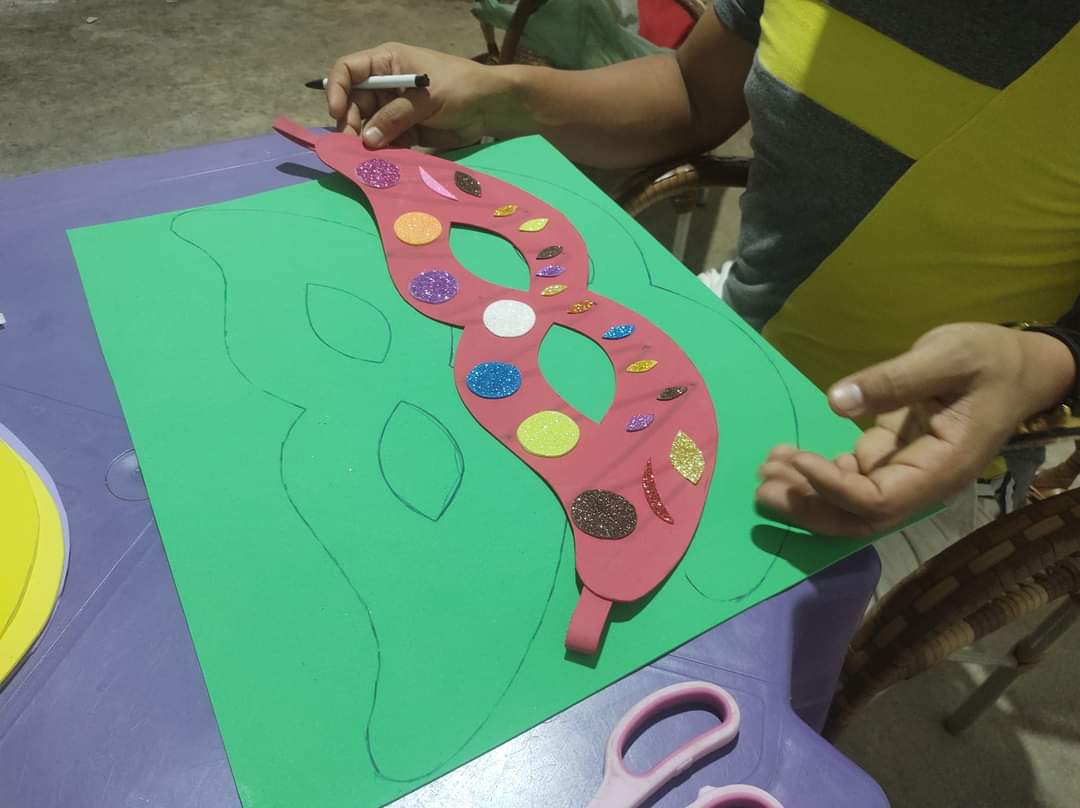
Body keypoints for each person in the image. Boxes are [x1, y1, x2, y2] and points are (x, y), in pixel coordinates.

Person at [323, 2, 1080, 537]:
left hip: (922, 450)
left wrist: (1048, 360)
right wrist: (501, 93)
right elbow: (692, 92)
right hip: (727, 333)